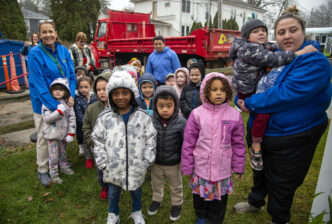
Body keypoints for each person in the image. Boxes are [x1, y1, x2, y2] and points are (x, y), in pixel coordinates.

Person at [234, 6, 332, 224]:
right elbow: (252, 82)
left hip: (291, 136)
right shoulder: (274, 57)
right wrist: (240, 98)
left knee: (282, 182)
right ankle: (255, 201)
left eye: (293, 30)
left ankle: (279, 219)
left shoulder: (315, 61)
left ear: (303, 32)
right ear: (275, 36)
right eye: (281, 32)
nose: (287, 36)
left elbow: (285, 95)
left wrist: (249, 103)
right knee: (259, 171)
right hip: (262, 132)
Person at [229, 19, 317, 171]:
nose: (261, 33)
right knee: (263, 114)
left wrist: (312, 45)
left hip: (251, 87)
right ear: (247, 37)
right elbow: (274, 58)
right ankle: (256, 144)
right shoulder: (249, 49)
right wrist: (300, 52)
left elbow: (274, 47)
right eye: (256, 31)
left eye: (263, 30)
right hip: (248, 90)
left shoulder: (259, 46)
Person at [91, 71, 157, 224]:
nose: (120, 97)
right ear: (110, 95)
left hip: (136, 166)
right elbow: (98, 139)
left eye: (125, 93)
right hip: (113, 167)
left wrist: (147, 159)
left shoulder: (143, 117)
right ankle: (113, 214)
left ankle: (136, 212)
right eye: (116, 93)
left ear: (132, 94)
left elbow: (151, 138)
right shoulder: (105, 118)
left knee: (136, 192)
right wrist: (102, 162)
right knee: (113, 194)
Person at [181, 72, 246, 224]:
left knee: (220, 200)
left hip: (222, 169)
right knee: (199, 197)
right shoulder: (197, 114)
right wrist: (187, 165)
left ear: (228, 92)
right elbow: (188, 142)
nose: (218, 93)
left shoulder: (234, 115)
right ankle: (201, 217)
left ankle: (216, 219)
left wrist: (239, 166)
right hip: (201, 168)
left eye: (222, 90)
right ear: (206, 91)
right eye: (214, 89)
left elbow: (238, 143)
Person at [28, 21, 76, 186]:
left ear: (56, 33)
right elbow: (39, 85)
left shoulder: (63, 51)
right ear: (40, 35)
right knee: (44, 134)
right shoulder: (35, 54)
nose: (48, 35)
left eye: (51, 31)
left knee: (62, 133)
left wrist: (70, 96)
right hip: (43, 103)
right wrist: (56, 107)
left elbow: (72, 76)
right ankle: (43, 169)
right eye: (44, 32)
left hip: (64, 102)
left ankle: (60, 163)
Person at [148, 85, 187, 221]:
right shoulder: (151, 121)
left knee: (176, 186)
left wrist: (184, 159)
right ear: (155, 106)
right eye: (161, 106)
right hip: (156, 163)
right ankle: (156, 199)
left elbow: (185, 143)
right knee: (156, 184)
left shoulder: (181, 123)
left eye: (169, 106)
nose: (165, 109)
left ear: (175, 106)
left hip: (173, 163)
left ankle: (177, 203)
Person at [83, 71, 111, 200]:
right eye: (98, 89)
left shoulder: (119, 107)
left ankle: (116, 188)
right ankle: (104, 187)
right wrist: (91, 141)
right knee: (101, 170)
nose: (101, 92)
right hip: (98, 148)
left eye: (105, 89)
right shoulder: (92, 108)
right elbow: (86, 126)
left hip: (115, 148)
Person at [41, 78, 76, 184]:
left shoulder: (67, 103)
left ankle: (64, 167)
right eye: (55, 89)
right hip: (52, 136)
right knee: (53, 156)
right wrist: (58, 112)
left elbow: (72, 118)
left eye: (61, 89)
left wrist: (71, 133)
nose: (57, 91)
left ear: (66, 91)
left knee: (63, 153)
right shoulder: (47, 103)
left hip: (63, 134)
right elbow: (47, 119)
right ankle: (54, 174)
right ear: (51, 91)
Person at [74, 76, 98, 168]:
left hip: (95, 126)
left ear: (90, 87)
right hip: (83, 127)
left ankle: (97, 157)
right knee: (86, 143)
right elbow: (79, 115)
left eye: (86, 87)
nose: (83, 89)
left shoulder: (94, 98)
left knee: (95, 142)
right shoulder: (78, 100)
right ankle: (88, 158)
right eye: (81, 87)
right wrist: (86, 125)